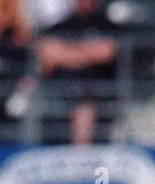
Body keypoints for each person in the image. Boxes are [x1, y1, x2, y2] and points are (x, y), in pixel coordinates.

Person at [37, 0, 120, 144]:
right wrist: (87, 53)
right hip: (61, 90)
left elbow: (106, 52)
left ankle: (80, 156)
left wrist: (66, 54)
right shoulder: (59, 27)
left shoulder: (107, 26)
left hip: (97, 92)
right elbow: (47, 55)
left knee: (84, 106)